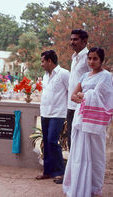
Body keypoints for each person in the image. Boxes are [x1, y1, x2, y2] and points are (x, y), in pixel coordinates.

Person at [63, 48, 113, 197]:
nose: (91, 61)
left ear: (101, 60)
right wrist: (84, 96)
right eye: (89, 58)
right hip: (81, 118)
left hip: (95, 121)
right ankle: (77, 184)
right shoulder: (85, 76)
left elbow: (101, 96)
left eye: (95, 59)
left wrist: (84, 96)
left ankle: (94, 188)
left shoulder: (106, 76)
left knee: (95, 154)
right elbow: (73, 96)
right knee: (78, 153)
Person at [36, 50, 69, 183]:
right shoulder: (45, 76)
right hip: (45, 113)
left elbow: (72, 91)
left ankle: (60, 172)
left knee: (52, 141)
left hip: (58, 114)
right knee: (47, 143)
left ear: (50, 61)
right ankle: (47, 172)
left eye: (43, 61)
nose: (41, 64)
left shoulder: (64, 74)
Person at [67, 29, 90, 150]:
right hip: (71, 105)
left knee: (80, 142)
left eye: (75, 39)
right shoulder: (74, 57)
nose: (72, 42)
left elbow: (92, 79)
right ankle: (73, 169)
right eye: (71, 39)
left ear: (84, 41)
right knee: (71, 139)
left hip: (82, 106)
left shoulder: (89, 57)